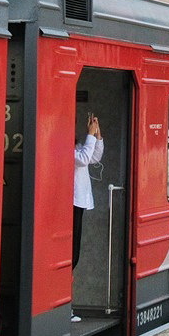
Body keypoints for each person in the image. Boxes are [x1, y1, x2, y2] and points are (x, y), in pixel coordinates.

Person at [73, 114, 104, 321]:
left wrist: (97, 136)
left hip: (80, 202)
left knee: (74, 255)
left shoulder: (77, 149)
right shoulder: (69, 151)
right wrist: (90, 135)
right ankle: (67, 306)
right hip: (72, 203)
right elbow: (85, 159)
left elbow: (94, 157)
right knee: (71, 255)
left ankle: (68, 305)